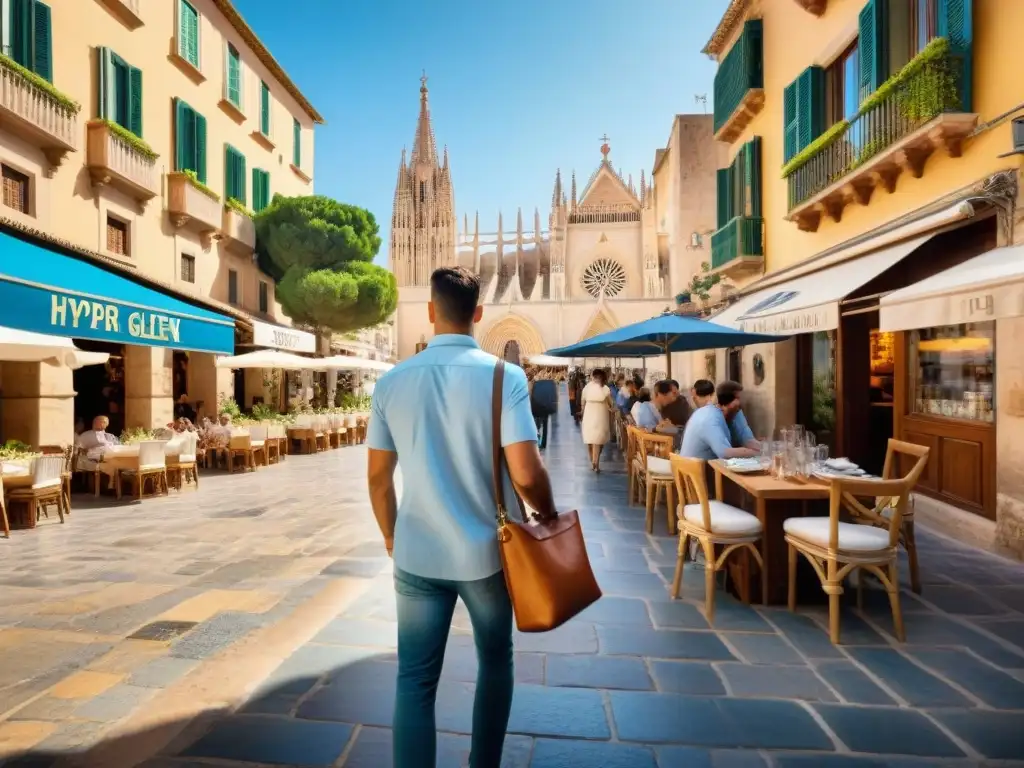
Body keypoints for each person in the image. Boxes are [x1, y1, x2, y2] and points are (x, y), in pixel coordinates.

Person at [366, 267, 557, 768]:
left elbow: (378, 480)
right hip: (488, 555)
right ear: (478, 313)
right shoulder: (505, 376)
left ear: (430, 312)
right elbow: (526, 472)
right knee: (495, 661)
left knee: (414, 679)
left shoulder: (390, 383)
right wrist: (548, 515)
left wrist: (391, 535)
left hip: (416, 552)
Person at [680, 380, 760, 461]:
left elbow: (747, 438)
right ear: (725, 402)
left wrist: (763, 449)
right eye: (738, 398)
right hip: (695, 471)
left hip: (702, 468)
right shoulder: (710, 417)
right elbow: (725, 453)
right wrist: (755, 452)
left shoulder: (735, 413)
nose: (741, 402)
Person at [580, 368, 614, 472]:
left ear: (593, 376)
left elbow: (583, 401)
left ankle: (593, 462)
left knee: (591, 440)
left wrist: (582, 411)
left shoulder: (587, 388)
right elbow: (610, 403)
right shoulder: (605, 389)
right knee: (598, 440)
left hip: (589, 413)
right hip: (601, 414)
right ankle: (596, 463)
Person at [530, 369, 558, 450]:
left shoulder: (535, 383)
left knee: (536, 426)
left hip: (536, 407)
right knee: (544, 427)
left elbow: (532, 394)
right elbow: (554, 396)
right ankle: (543, 443)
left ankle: (537, 442)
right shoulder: (550, 384)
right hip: (546, 408)